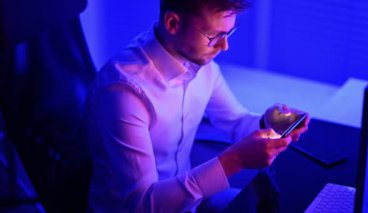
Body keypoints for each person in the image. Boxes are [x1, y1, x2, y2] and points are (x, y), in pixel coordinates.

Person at [85, 0, 310, 212]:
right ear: (172, 23)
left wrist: (267, 123)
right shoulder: (124, 92)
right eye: (214, 36)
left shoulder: (202, 65)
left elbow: (235, 122)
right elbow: (143, 205)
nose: (225, 46)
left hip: (190, 203)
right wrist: (234, 160)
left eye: (229, 32)